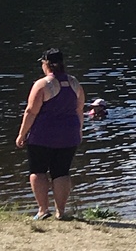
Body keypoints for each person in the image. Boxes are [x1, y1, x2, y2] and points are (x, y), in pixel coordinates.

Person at [15, 48, 85, 220]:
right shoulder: (74, 83)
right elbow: (79, 110)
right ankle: (60, 212)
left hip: (43, 136)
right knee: (61, 172)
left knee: (38, 171)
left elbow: (31, 111)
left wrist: (22, 134)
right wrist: (79, 131)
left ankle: (43, 210)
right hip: (69, 135)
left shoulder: (43, 84)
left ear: (46, 64)